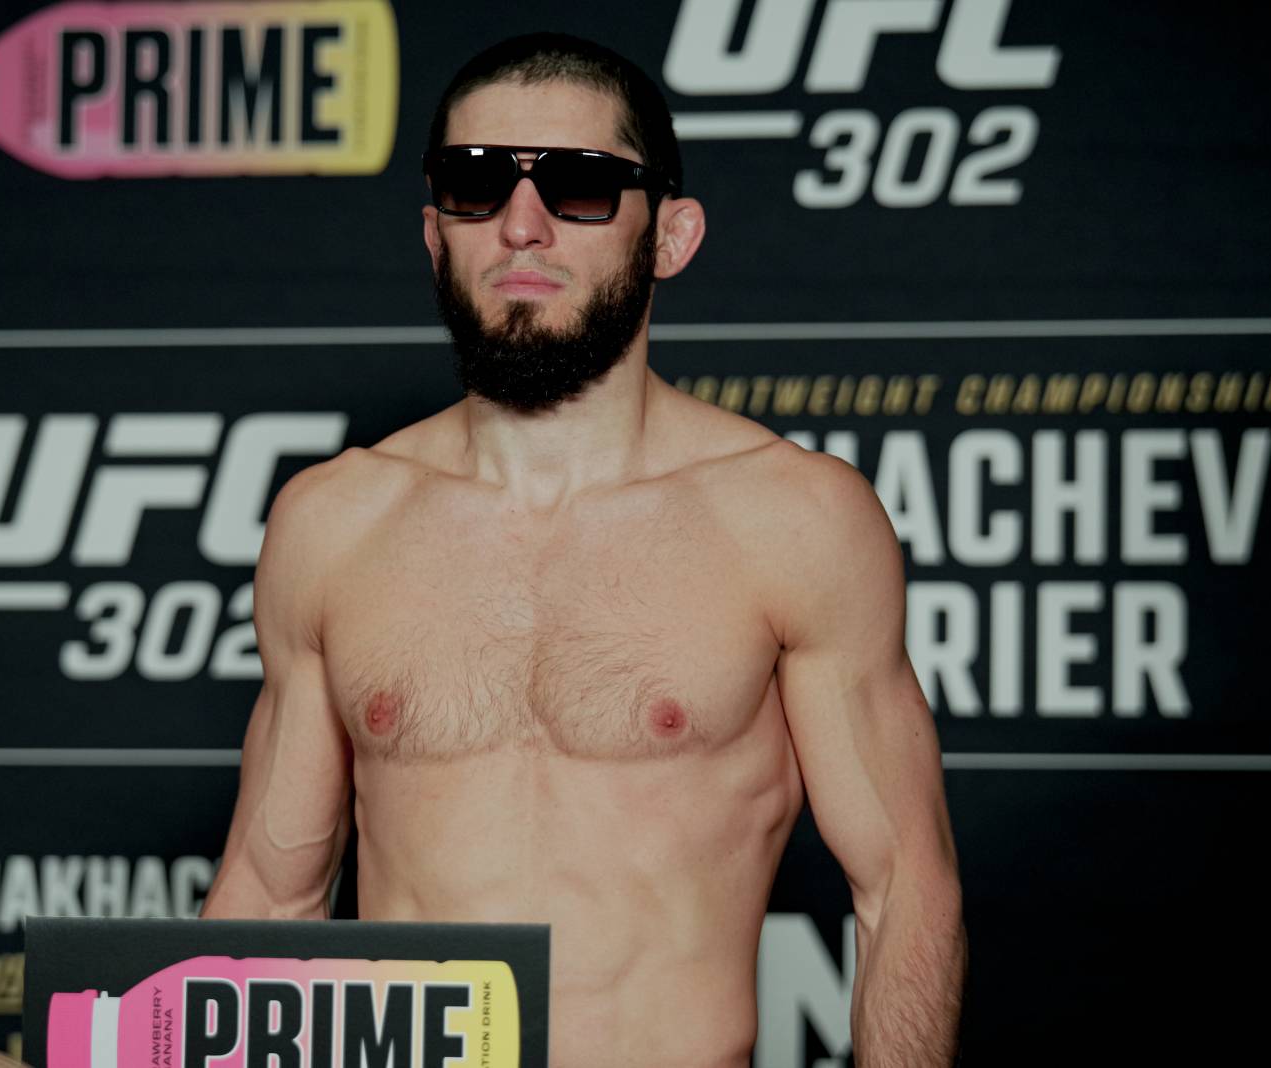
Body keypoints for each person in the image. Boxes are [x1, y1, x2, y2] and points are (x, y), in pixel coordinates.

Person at [203, 32, 966, 1067]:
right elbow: (268, 896)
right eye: (476, 185)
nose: (522, 225)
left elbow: (904, 886)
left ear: (671, 236)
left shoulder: (792, 520)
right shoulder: (333, 522)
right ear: (434, 234)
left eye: (581, 187)